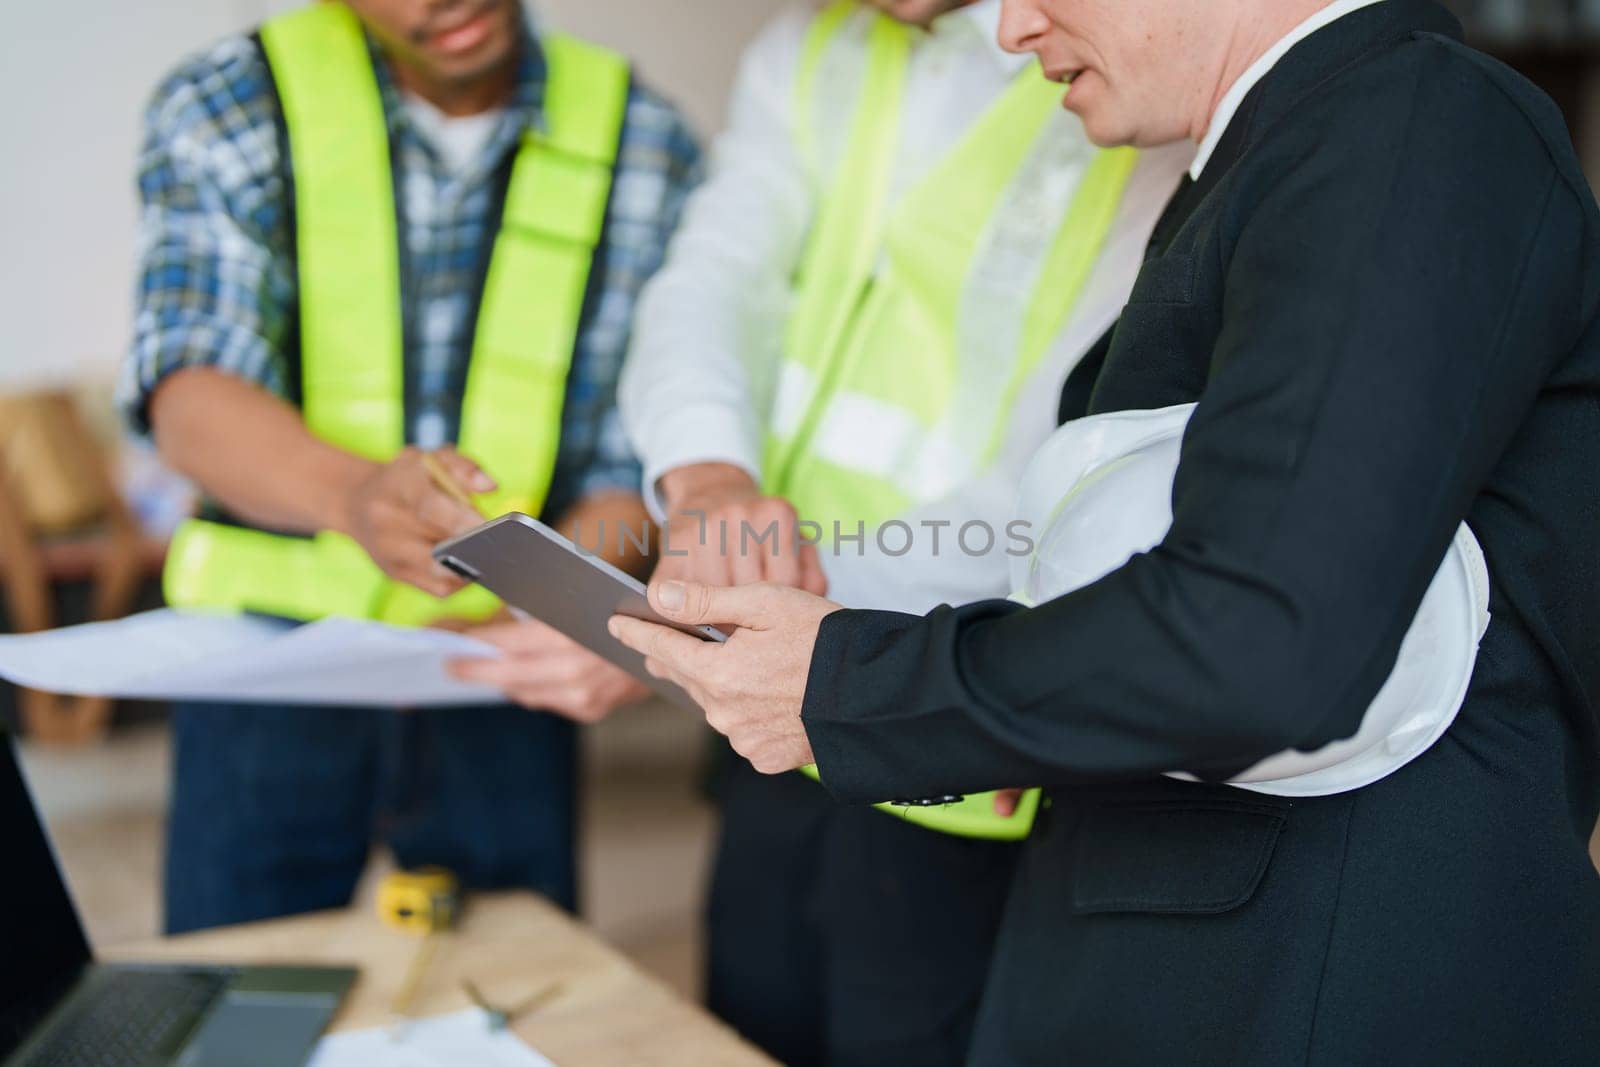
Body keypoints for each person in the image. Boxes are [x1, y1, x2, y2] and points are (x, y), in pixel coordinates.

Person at [612, 0, 1600, 1061]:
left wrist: (857, 682)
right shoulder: (1282, 147)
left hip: (1311, 984)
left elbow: (1264, 632)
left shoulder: (1409, 124)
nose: (1011, 26)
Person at [616, 0, 1186, 1062]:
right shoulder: (813, 42)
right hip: (763, 691)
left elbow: (1063, 460)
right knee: (749, 1020)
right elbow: (710, 281)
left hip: (947, 708)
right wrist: (705, 486)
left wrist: (794, 596)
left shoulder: (1127, 71)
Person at [120, 0, 698, 934]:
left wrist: (576, 598)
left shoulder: (645, 140)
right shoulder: (233, 100)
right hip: (268, 669)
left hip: (503, 678)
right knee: (246, 992)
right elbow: (188, 388)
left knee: (513, 988)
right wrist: (353, 496)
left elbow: (628, 458)